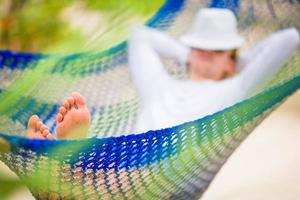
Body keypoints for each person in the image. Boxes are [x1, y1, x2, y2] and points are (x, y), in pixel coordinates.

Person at [26, 8, 300, 140]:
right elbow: (139, 36)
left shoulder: (238, 88)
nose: (205, 51)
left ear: (232, 63)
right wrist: (191, 55)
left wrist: (238, 64)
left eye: (217, 50)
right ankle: (72, 150)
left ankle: (67, 157)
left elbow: (289, 39)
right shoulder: (160, 85)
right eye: (200, 45)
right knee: (107, 160)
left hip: (173, 166)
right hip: (130, 157)